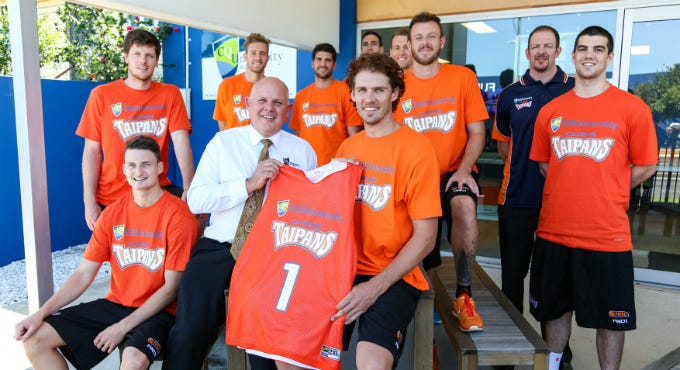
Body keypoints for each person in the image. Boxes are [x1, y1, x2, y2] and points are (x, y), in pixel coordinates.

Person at [162, 77, 317, 370]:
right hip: (220, 247)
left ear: (289, 110)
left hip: (274, 254)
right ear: (247, 104)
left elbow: (310, 213)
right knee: (189, 332)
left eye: (277, 102)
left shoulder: (303, 151)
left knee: (267, 339)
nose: (268, 108)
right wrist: (247, 184)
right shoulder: (224, 143)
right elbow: (196, 200)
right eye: (261, 100)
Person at [529, 25, 658, 370]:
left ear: (610, 57)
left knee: (611, 318)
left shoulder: (632, 108)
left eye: (598, 49)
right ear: (572, 57)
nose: (589, 55)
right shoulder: (551, 111)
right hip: (554, 233)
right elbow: (545, 164)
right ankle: (553, 365)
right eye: (583, 49)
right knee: (554, 311)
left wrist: (611, 185)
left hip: (607, 237)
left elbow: (646, 166)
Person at [15, 136, 197, 370]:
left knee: (133, 361)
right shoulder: (112, 214)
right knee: (35, 340)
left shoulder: (178, 216)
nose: (138, 171)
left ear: (160, 168)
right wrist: (39, 314)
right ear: (124, 169)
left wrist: (122, 327)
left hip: (159, 311)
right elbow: (83, 274)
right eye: (131, 165)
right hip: (117, 304)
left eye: (146, 164)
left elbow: (171, 288)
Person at [333, 53, 441, 370]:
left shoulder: (417, 149)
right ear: (351, 94)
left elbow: (426, 237)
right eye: (362, 90)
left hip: (394, 274)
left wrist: (374, 287)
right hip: (344, 271)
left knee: (371, 365)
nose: (369, 99)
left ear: (394, 93)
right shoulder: (347, 149)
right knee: (295, 352)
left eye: (378, 90)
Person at [393, 12, 489, 332]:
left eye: (431, 36)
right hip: (415, 176)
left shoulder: (462, 77)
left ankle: (464, 296)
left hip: (452, 170)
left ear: (441, 41)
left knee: (463, 205)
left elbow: (477, 132)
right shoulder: (397, 85)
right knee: (422, 242)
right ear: (409, 44)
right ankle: (428, 298)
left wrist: (464, 169)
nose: (425, 43)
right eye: (418, 37)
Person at [492, 25, 575, 369]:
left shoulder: (574, 89)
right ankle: (512, 347)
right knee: (512, 277)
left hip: (562, 203)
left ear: (558, 51)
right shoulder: (512, 94)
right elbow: (502, 145)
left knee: (553, 280)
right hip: (516, 200)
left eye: (548, 46)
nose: (541, 52)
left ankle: (556, 352)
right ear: (527, 53)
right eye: (535, 46)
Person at [77, 29, 194, 231]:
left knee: (193, 222)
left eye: (149, 55)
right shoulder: (101, 95)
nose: (143, 61)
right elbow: (91, 152)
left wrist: (190, 188)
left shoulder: (170, 94)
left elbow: (181, 143)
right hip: (112, 195)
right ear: (126, 57)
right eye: (137, 54)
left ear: (157, 60)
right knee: (122, 258)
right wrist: (89, 202)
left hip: (156, 190)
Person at [290, 43, 362, 165]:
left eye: (327, 60)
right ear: (312, 63)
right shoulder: (301, 96)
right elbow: (298, 135)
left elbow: (354, 136)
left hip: (336, 165)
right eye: (319, 59)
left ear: (334, 65)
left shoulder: (346, 92)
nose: (323, 64)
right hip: (308, 166)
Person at [213, 33, 270, 131]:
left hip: (263, 145)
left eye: (262, 53)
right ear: (245, 56)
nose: (258, 58)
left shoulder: (272, 88)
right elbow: (222, 123)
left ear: (267, 58)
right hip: (234, 145)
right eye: (253, 53)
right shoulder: (227, 85)